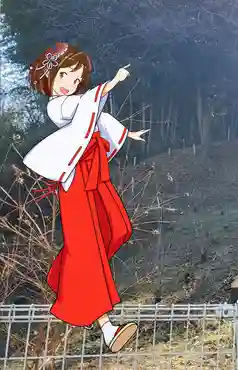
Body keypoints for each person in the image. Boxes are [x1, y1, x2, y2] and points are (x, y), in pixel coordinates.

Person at [23, 42, 149, 353]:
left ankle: (66, 276)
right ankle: (109, 329)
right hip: (75, 181)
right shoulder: (57, 106)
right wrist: (112, 84)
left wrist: (125, 134)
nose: (71, 83)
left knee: (118, 228)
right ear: (50, 76)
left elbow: (96, 118)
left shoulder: (78, 101)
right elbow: (83, 111)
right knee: (88, 250)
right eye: (65, 75)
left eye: (77, 78)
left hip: (94, 172)